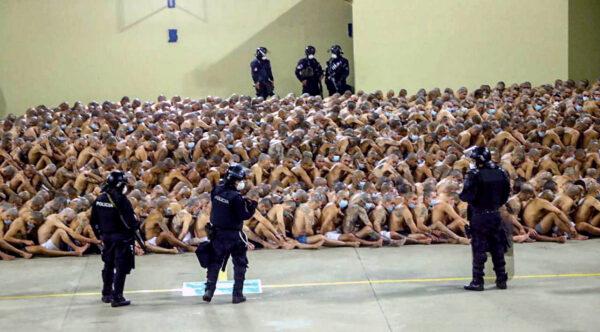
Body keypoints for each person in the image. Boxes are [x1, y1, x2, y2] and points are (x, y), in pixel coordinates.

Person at [203, 164, 257, 304]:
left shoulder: (216, 190)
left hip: (217, 234)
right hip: (234, 236)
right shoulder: (236, 198)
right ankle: (237, 294)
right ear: (235, 181)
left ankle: (209, 290)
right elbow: (244, 215)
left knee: (214, 262)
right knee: (240, 263)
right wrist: (252, 206)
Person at [459, 146, 511, 291]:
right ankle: (501, 279)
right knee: (497, 246)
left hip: (479, 215)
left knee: (479, 248)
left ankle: (478, 281)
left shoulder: (474, 174)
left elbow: (465, 196)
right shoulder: (501, 172)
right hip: (495, 213)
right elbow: (505, 195)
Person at [90, 171, 141, 307]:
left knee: (108, 264)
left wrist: (99, 236)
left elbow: (93, 220)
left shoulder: (99, 199)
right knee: (121, 267)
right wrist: (137, 223)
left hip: (106, 238)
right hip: (121, 239)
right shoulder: (122, 200)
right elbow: (131, 222)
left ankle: (106, 293)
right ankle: (117, 297)